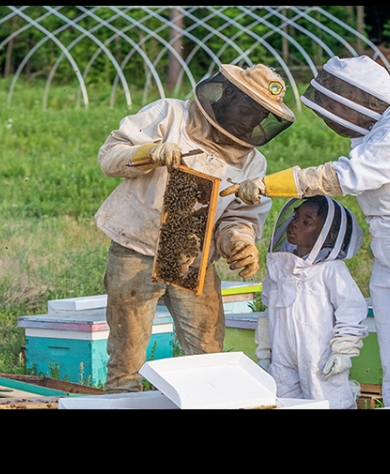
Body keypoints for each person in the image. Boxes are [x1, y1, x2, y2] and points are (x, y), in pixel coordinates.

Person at [225, 55, 390, 406]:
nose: (328, 117)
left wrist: (269, 184)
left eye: (334, 106)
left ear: (363, 99)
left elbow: (347, 176)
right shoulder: (374, 134)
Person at [95, 63, 296, 393]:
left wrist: (239, 242)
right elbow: (110, 157)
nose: (253, 122)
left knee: (207, 349)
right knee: (127, 352)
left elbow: (239, 219)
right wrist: (149, 153)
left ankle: (207, 399)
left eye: (262, 117)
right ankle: (121, 397)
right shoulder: (170, 114)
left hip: (194, 256)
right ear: (227, 93)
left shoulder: (254, 162)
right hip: (138, 244)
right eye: (249, 110)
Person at [254, 195, 368, 409]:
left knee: (328, 402)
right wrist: (265, 352)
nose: (295, 224)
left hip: (318, 358)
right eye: (296, 217)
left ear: (328, 235)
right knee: (282, 402)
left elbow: (351, 311)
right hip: (282, 356)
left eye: (307, 222)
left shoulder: (331, 270)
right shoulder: (280, 268)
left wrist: (343, 351)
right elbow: (269, 311)